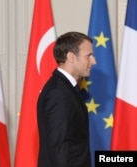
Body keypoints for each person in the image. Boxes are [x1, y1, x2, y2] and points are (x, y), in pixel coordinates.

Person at [37, 31, 96, 167]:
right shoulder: (59, 93)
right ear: (71, 57)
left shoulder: (66, 88)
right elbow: (59, 148)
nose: (93, 61)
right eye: (89, 56)